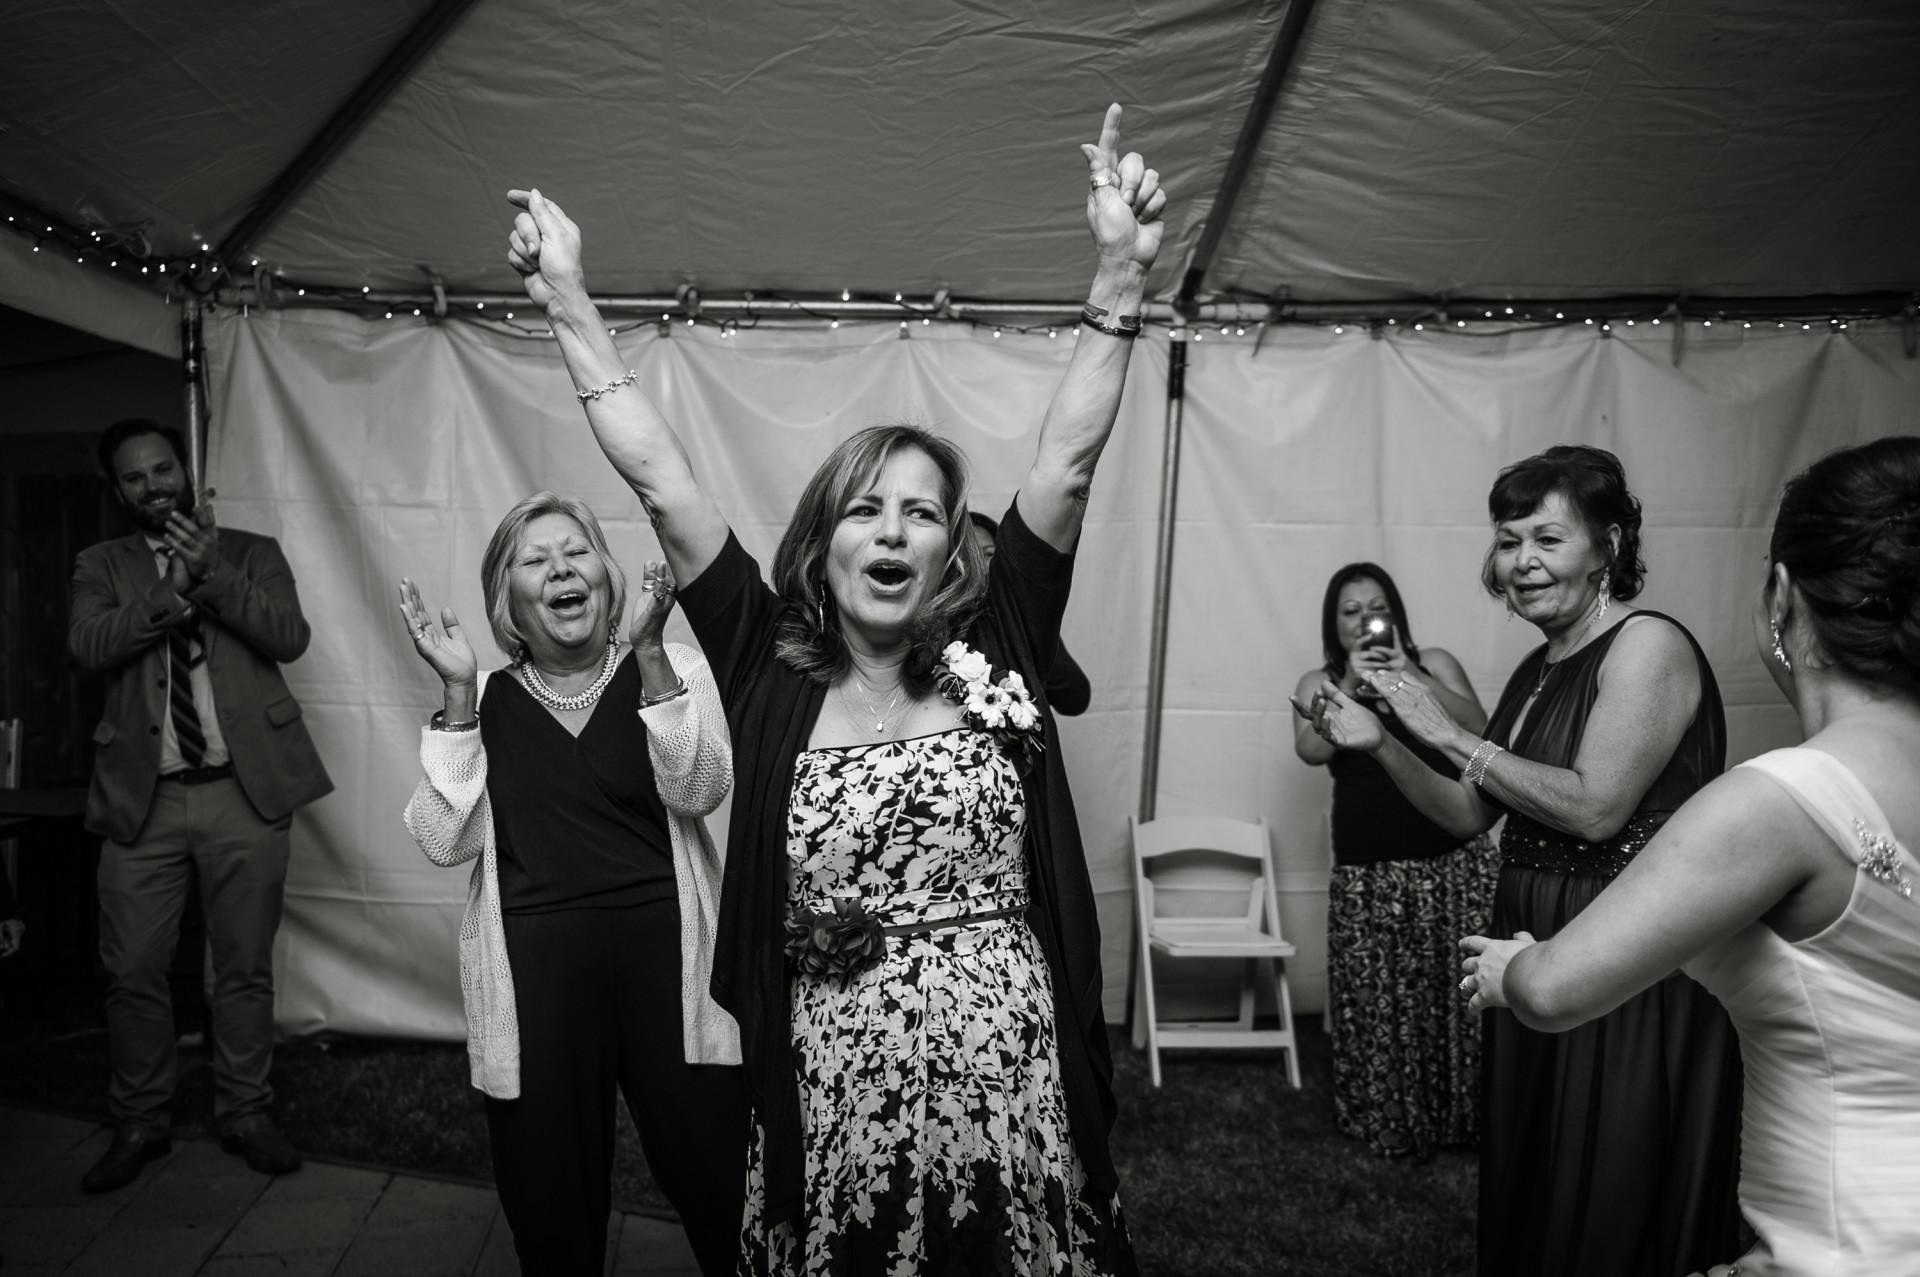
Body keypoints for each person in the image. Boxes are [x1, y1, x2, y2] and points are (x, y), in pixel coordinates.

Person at [502, 103, 1164, 1275]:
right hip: (835, 1078)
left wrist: (1119, 272)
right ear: (823, 542)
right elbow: (657, 475)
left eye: (922, 509)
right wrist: (568, 302)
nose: (895, 528)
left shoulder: (1001, 635)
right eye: (866, 507)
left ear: (952, 543)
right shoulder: (764, 656)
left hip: (1008, 1072)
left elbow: (1065, 458)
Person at [1464, 436, 1920, 1277]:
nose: (1522, 559)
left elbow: (1556, 983)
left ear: (1781, 595)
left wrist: (1516, 970)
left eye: (1546, 537)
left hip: (1851, 1238)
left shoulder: (1780, 800)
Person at [1296, 445, 1744, 1277]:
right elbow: (1471, 813)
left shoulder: (1647, 646)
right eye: (1508, 540)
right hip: (1528, 947)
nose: (1522, 562)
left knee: (1611, 1176)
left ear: (1608, 546)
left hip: (1628, 948)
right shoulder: (1538, 669)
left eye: (1547, 537)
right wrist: (1385, 744)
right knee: (1540, 1164)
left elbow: (1595, 805)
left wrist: (1444, 729)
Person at [400, 493, 748, 1277]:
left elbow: (699, 788)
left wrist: (652, 656)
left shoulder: (673, 663)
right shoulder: (482, 699)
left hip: (673, 973)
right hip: (537, 987)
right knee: (551, 1205)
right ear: (510, 599)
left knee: (724, 1181)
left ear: (605, 571)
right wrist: (457, 700)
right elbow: (441, 837)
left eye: (577, 550)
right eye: (535, 559)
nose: (561, 568)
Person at [68, 417, 333, 1191]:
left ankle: (245, 1111)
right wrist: (168, 590)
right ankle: (142, 1119)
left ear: (185, 470)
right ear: (117, 489)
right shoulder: (101, 562)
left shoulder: (253, 552)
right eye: (135, 477)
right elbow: (90, 645)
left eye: (163, 469)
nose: (154, 485)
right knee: (134, 970)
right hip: (139, 804)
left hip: (242, 794)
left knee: (243, 968)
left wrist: (210, 572)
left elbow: (289, 636)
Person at [1290, 562, 1497, 1159]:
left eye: (1373, 607)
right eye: (1349, 610)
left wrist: (1408, 673)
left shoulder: (1434, 662)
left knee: (1457, 1000)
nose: (1362, 619)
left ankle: (1463, 1118)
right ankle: (1386, 1118)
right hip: (1369, 870)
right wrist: (1351, 687)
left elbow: (1482, 731)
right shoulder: (1321, 678)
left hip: (1451, 861)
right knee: (1377, 999)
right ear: (1334, 623)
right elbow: (1307, 749)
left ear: (1395, 613)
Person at [969, 510, 1092, 714]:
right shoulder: (931, 624)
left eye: (989, 554)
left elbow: (1075, 699)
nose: (981, 566)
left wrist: (1029, 630)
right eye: (969, 556)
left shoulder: (1020, 617)